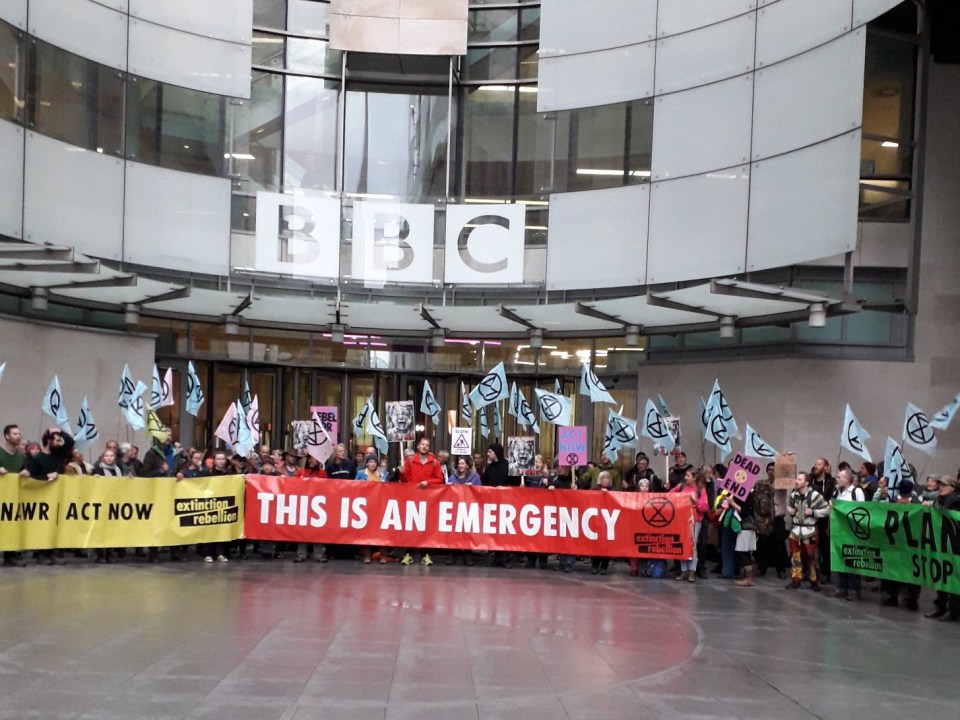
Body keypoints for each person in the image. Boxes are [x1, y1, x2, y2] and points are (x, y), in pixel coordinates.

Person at [399, 437, 444, 566]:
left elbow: (439, 479)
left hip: (428, 499)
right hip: (412, 497)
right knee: (411, 525)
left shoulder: (434, 462)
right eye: (423, 444)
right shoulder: (410, 460)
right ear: (418, 446)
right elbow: (404, 479)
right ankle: (408, 553)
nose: (424, 447)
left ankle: (426, 554)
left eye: (427, 445)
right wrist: (401, 473)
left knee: (426, 526)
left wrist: (428, 482)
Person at [879, 479, 921, 610]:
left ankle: (912, 597)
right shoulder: (893, 501)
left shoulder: (916, 502)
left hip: (910, 542)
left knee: (912, 571)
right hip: (895, 541)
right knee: (893, 569)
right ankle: (893, 595)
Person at [785, 472, 830, 591]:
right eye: (797, 479)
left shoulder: (815, 495)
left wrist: (814, 512)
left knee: (812, 557)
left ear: (806, 482)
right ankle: (796, 579)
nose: (796, 481)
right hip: (795, 530)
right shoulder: (793, 495)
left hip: (809, 530)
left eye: (799, 479)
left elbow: (827, 509)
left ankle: (814, 581)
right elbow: (789, 506)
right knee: (795, 557)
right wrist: (790, 511)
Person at [925, 475, 960, 621]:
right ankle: (940, 606)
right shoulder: (938, 501)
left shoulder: (957, 501)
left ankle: (953, 610)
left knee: (954, 577)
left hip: (955, 545)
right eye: (939, 485)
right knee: (942, 575)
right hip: (941, 544)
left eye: (944, 485)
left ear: (952, 487)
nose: (940, 487)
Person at [670, 469, 708, 582]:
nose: (685, 478)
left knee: (692, 545)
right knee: (683, 544)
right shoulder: (681, 487)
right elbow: (669, 496)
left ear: (694, 477)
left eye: (688, 476)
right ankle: (684, 570)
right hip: (682, 520)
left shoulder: (701, 490)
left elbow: (705, 507)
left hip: (695, 521)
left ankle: (692, 571)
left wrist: (695, 501)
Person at [832, 469, 865, 600]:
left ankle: (854, 589)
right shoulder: (837, 492)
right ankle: (842, 587)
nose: (837, 479)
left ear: (847, 479)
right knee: (840, 559)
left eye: (839, 477)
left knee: (852, 560)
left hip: (852, 531)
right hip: (840, 530)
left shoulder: (856, 492)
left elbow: (861, 510)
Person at [482, 443, 513, 568]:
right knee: (494, 531)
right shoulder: (489, 468)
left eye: (490, 451)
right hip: (493, 503)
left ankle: (505, 557)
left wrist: (505, 489)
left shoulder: (509, 466)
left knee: (505, 531)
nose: (488, 454)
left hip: (507, 504)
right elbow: (484, 483)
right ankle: (496, 557)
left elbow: (515, 483)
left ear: (496, 452)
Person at [446, 456, 480, 566]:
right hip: (455, 508)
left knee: (467, 532)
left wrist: (473, 487)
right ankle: (452, 554)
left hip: (469, 508)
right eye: (459, 464)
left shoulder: (474, 477)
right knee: (454, 532)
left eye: (463, 463)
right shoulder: (453, 477)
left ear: (467, 465)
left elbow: (480, 489)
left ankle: (468, 555)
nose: (461, 465)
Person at [198, 451, 231, 564]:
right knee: (210, 529)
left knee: (221, 529)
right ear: (214, 461)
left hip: (224, 504)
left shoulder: (228, 473)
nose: (221, 461)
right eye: (218, 459)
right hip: (211, 504)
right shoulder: (208, 473)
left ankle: (220, 553)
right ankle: (207, 553)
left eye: (223, 459)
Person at [754, 463, 784, 579]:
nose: (771, 472)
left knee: (778, 544)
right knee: (763, 544)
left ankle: (781, 569)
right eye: (769, 470)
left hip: (777, 516)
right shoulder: (762, 484)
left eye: (774, 470)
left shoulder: (782, 483)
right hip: (765, 518)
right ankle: (762, 567)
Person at [810, 457, 836, 583]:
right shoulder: (810, 480)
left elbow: (828, 499)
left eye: (819, 464)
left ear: (825, 467)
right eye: (815, 463)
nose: (816, 466)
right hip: (810, 517)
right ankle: (810, 572)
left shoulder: (831, 482)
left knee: (825, 546)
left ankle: (826, 572)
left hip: (824, 519)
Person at [547, 463, 576, 572]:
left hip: (572, 513)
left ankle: (569, 562)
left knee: (570, 538)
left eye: (562, 466)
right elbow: (547, 486)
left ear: (568, 467)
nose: (559, 468)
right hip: (559, 512)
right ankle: (562, 562)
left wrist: (576, 490)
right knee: (561, 538)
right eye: (558, 466)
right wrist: (549, 486)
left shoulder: (574, 479)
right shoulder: (554, 479)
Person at [591, 471, 614, 575]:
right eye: (603, 478)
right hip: (597, 520)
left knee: (606, 545)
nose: (605, 480)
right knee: (596, 544)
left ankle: (604, 566)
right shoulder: (595, 489)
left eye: (607, 478)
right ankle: (595, 565)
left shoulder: (613, 491)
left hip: (609, 521)